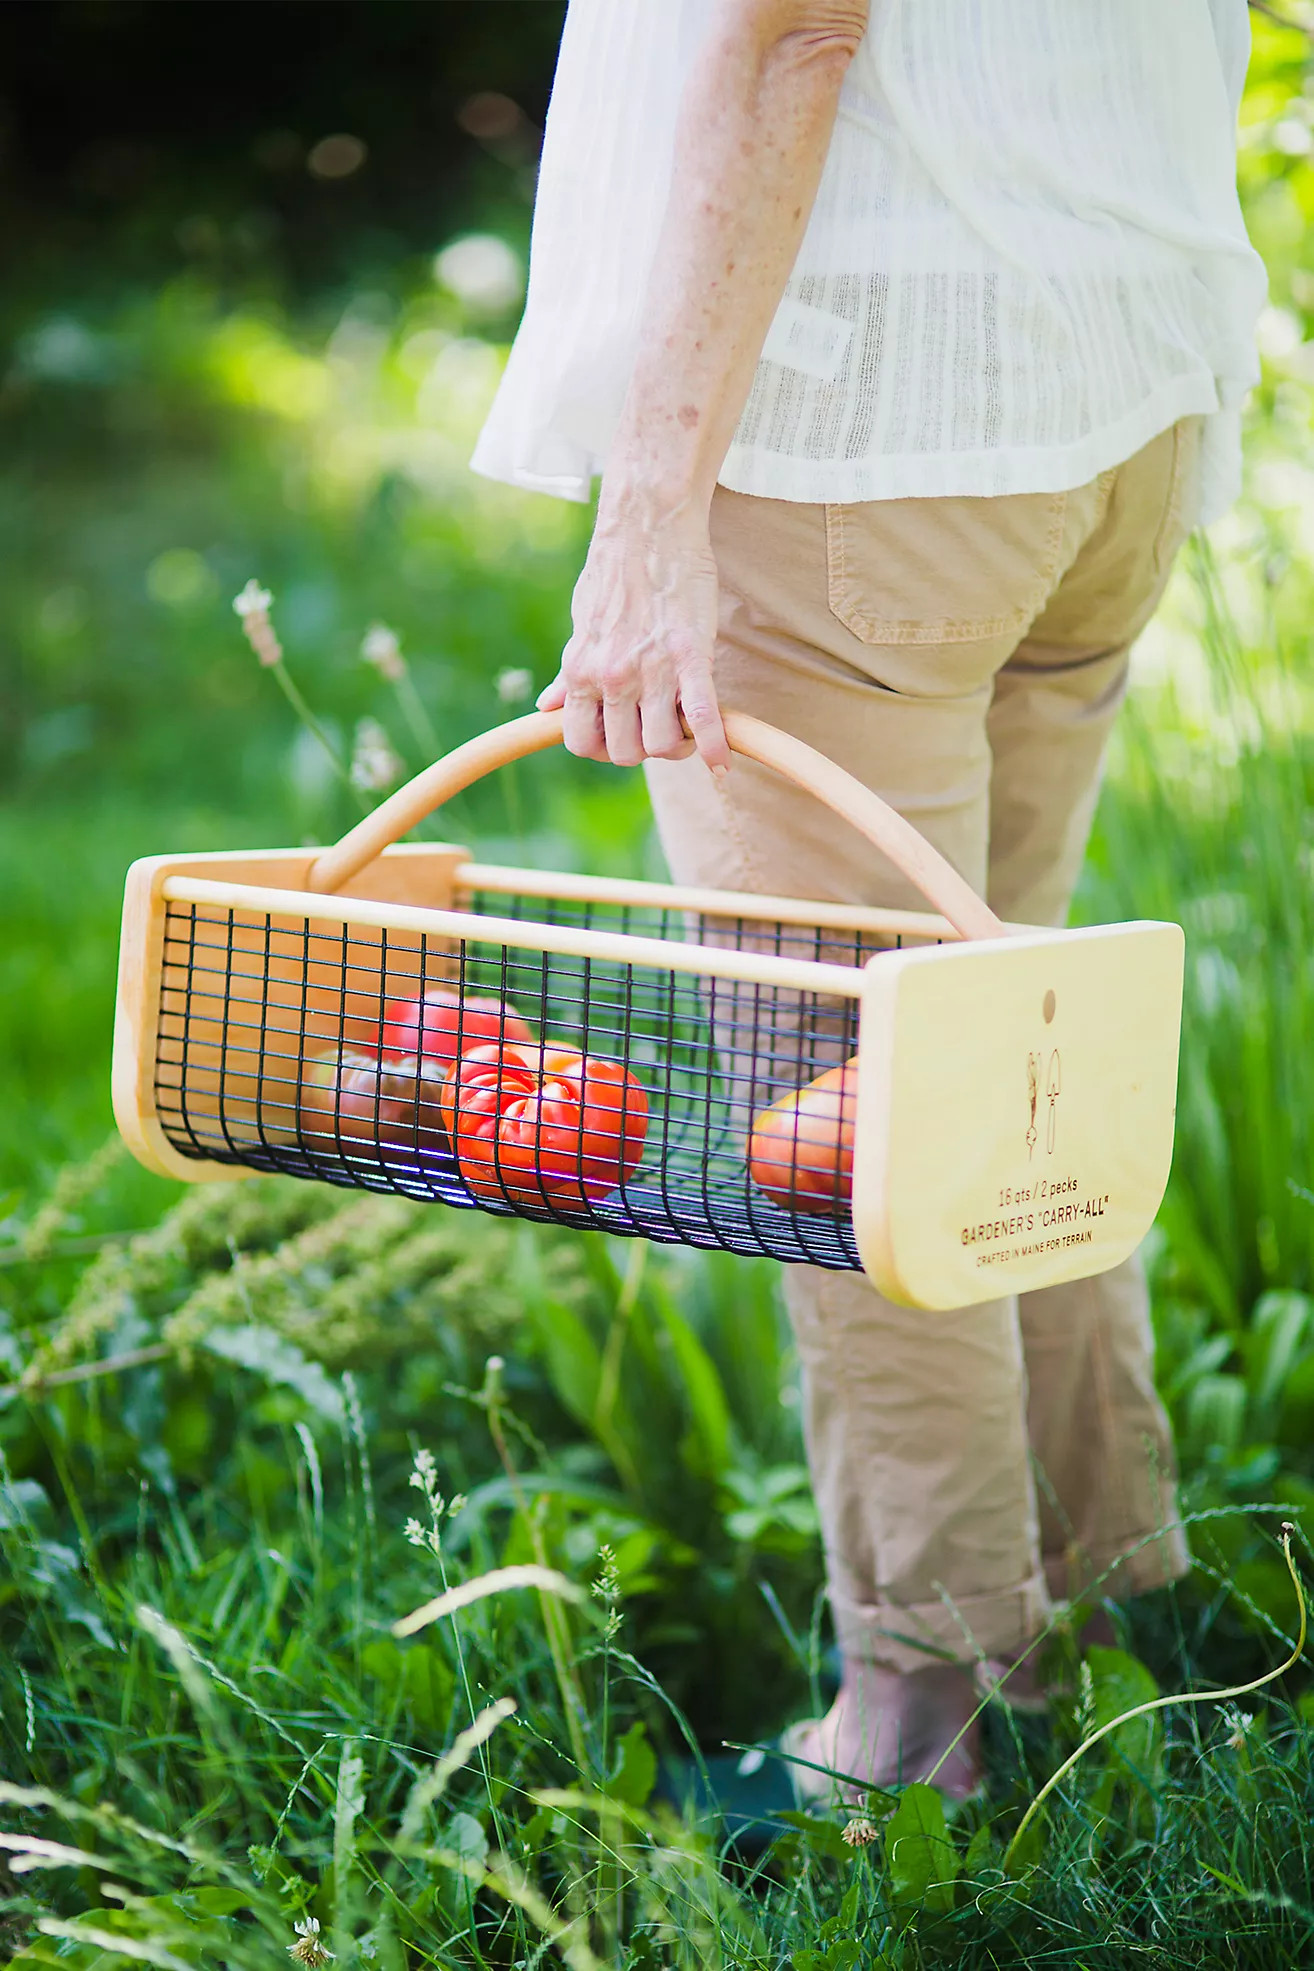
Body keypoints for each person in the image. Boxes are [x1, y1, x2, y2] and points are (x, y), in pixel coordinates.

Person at [472, 0, 1266, 1796]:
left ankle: (927, 1714)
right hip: (1101, 400)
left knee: (848, 1115)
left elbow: (787, 32)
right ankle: (1112, 1602)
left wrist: (649, 506)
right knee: (996, 1061)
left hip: (855, 427)